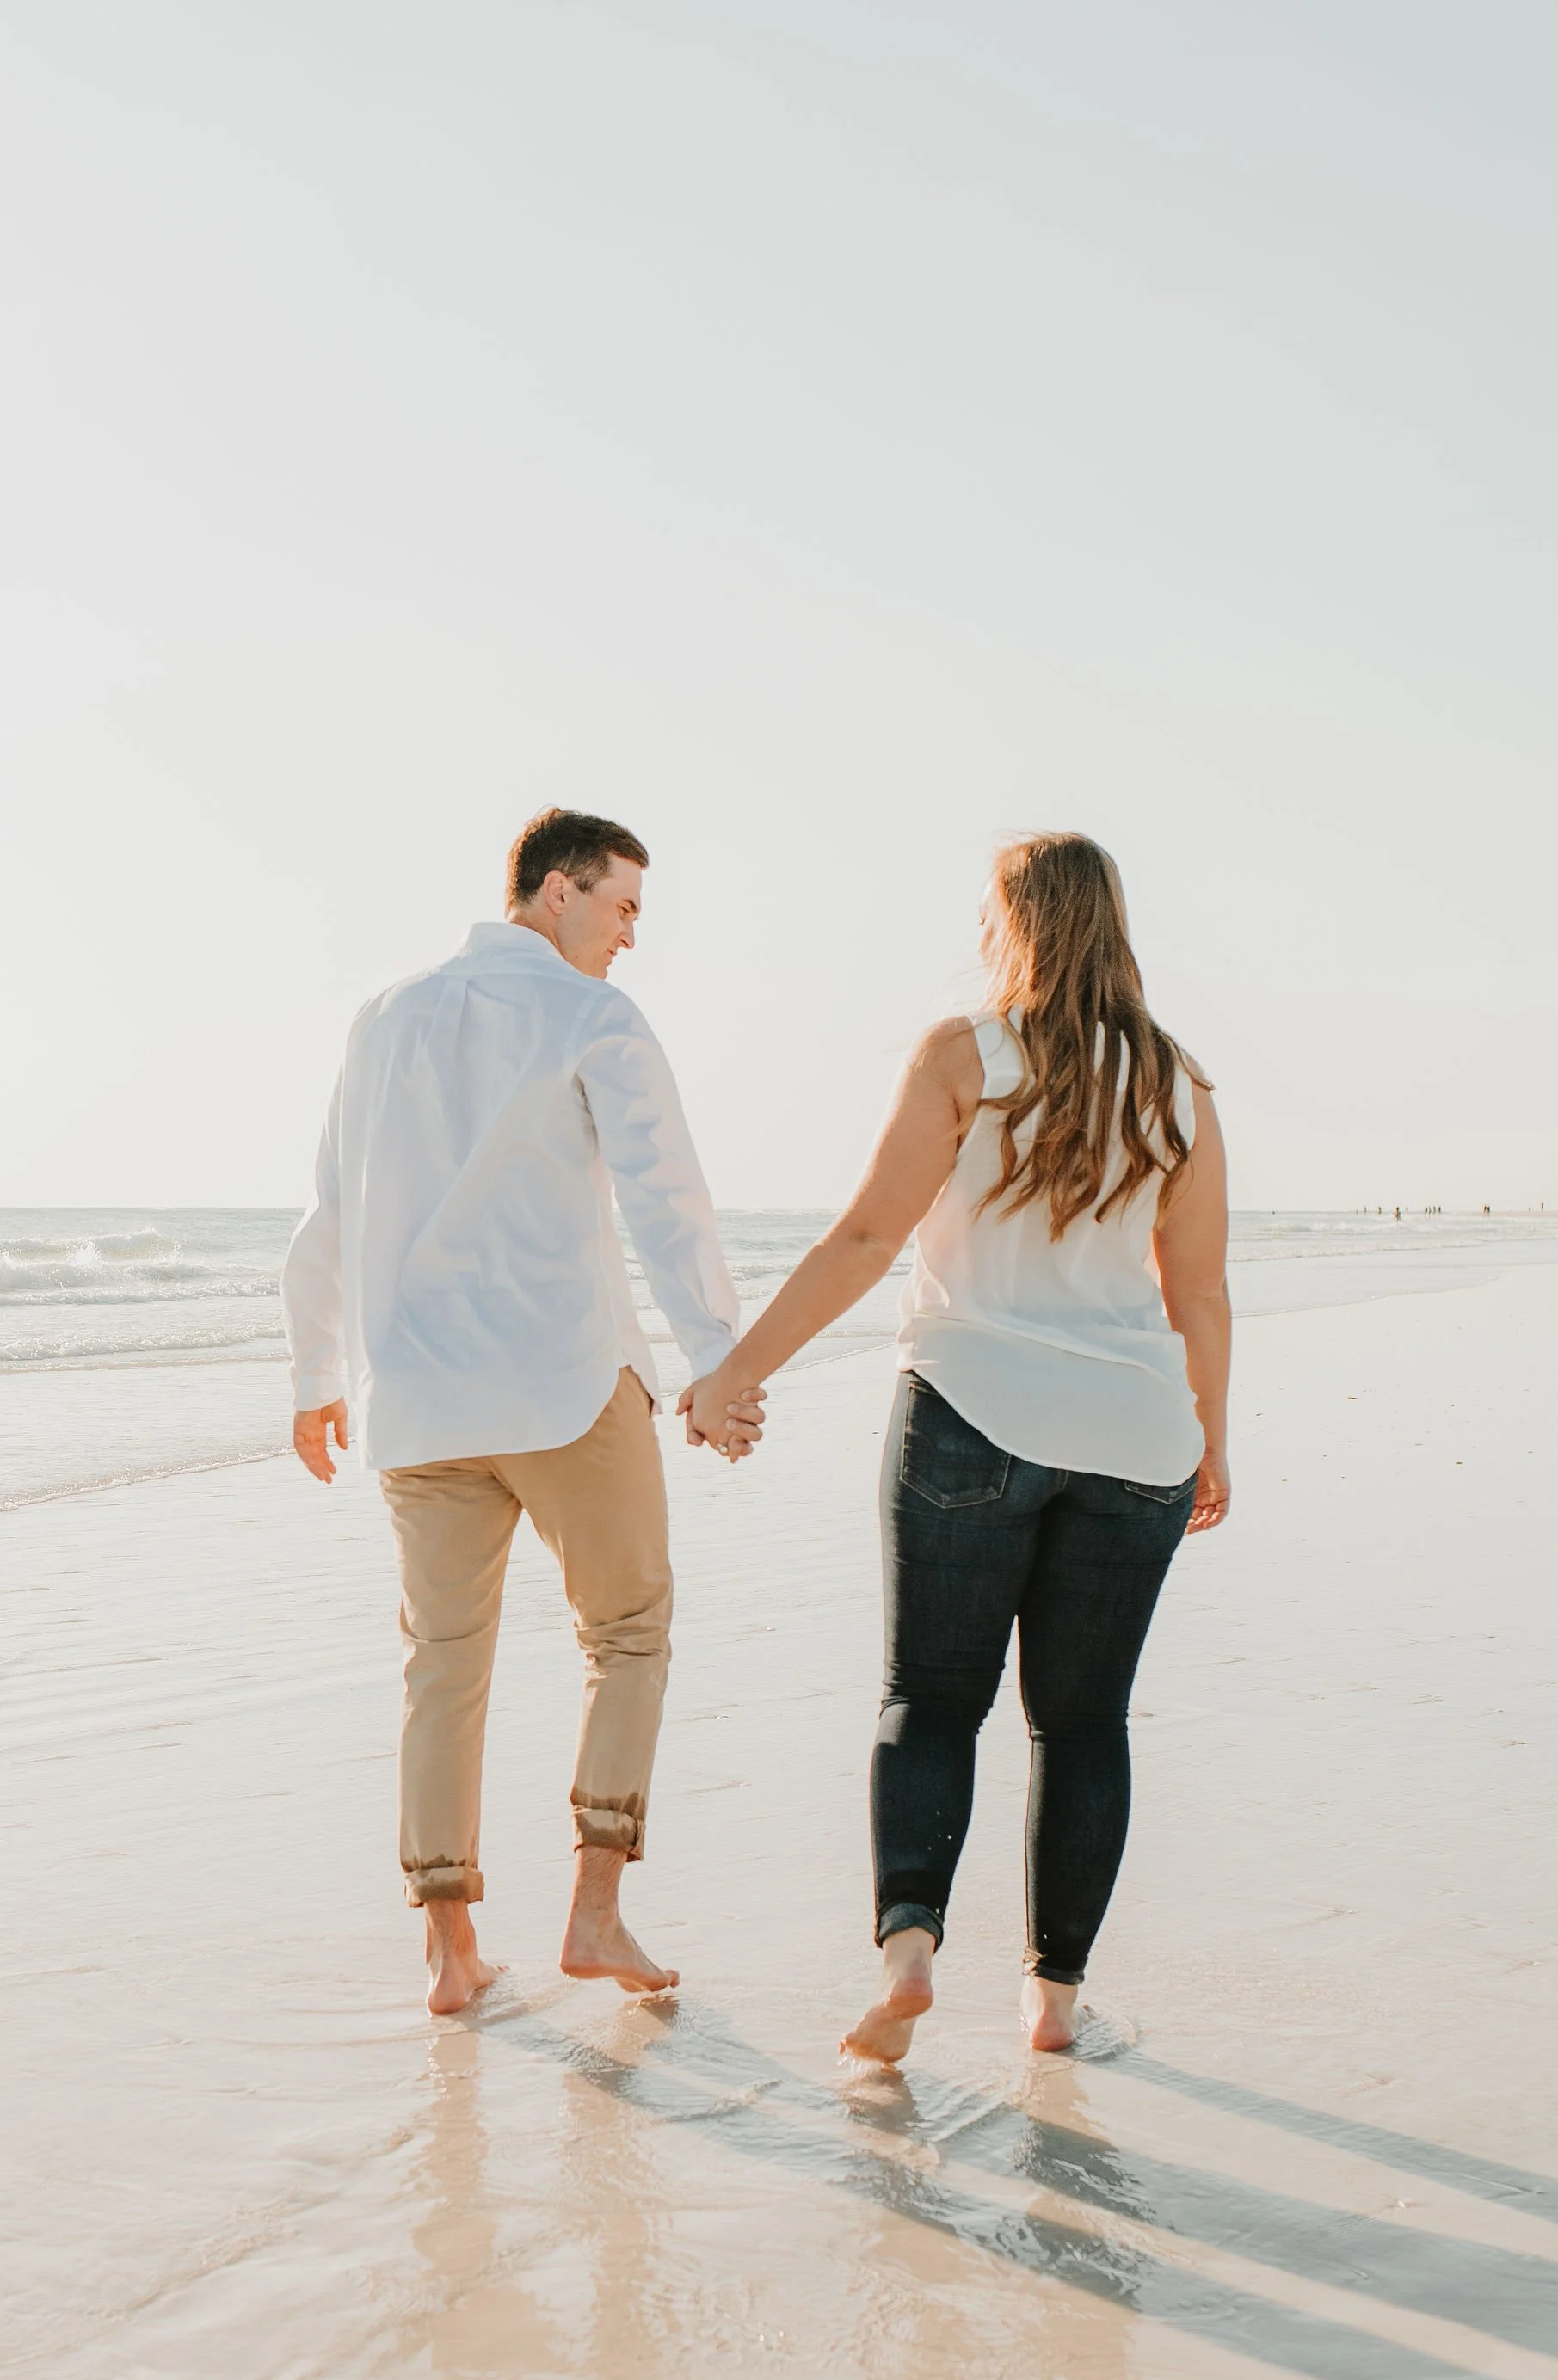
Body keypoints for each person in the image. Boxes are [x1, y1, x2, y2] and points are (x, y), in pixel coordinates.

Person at [682, 832, 1230, 2062]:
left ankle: (913, 1949)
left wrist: (736, 1371)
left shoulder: (965, 1055)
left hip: (971, 1409)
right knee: (1083, 1725)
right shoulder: (1179, 1085)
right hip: (1139, 1434)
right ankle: (1055, 2004)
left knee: (931, 1698)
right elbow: (1199, 1293)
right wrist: (1214, 1439)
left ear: (1014, 923)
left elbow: (869, 1234)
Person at [282, 809, 764, 2017]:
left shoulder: (381, 1016)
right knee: (631, 1629)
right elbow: (666, 1196)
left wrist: (313, 1376)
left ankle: (449, 1950)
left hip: (420, 1399)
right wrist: (716, 1358)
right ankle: (594, 1912)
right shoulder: (591, 1014)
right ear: (557, 893)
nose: (630, 937)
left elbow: (330, 1208)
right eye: (622, 908)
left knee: (442, 1666)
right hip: (560, 1382)